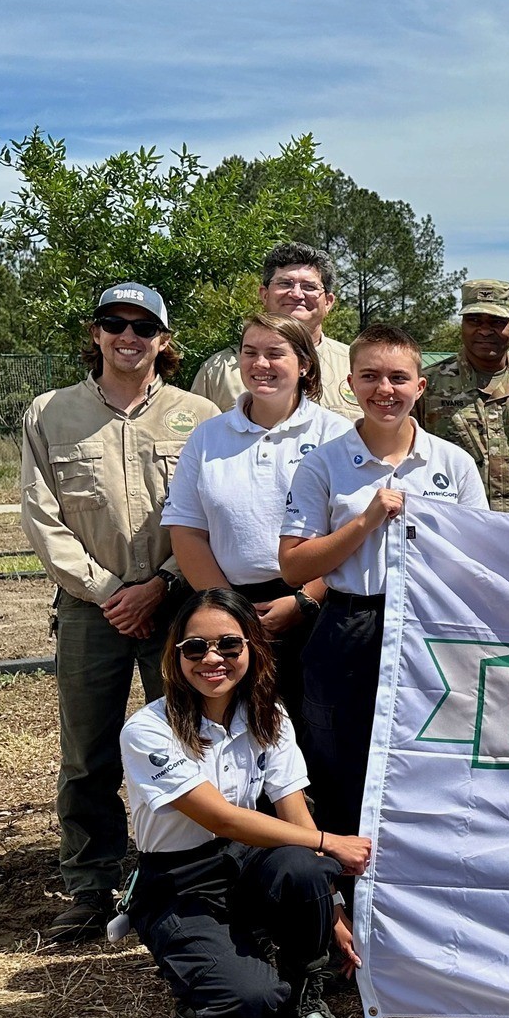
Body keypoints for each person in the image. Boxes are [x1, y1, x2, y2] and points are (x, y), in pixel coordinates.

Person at [20, 283, 219, 942]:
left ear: (164, 340)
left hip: (179, 608)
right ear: (96, 333)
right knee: (87, 755)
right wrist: (110, 592)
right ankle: (88, 885)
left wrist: (160, 584)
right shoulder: (50, 415)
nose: (128, 337)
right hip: (90, 611)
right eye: (115, 323)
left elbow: (211, 514)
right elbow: (42, 517)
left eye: (143, 327)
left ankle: (190, 878)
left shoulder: (200, 415)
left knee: (192, 745)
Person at [120, 589, 371, 1018]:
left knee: (306, 868)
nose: (212, 658)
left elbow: (293, 809)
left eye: (229, 646)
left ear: (251, 649)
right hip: (179, 879)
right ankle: (211, 976)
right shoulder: (148, 729)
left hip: (242, 862)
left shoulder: (269, 715)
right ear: (174, 656)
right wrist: (329, 841)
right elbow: (220, 816)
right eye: (195, 647)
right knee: (246, 1002)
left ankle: (302, 996)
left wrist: (332, 906)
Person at [280, 325, 488, 843]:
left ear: (421, 387)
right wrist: (365, 521)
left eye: (398, 377)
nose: (385, 390)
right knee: (340, 760)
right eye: (370, 376)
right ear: (350, 382)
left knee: (432, 760)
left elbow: (480, 558)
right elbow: (294, 566)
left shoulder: (453, 464)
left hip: (430, 625)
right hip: (350, 621)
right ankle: (346, 887)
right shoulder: (322, 464)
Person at [163, 312, 354, 730]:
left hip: (317, 607)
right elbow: (187, 530)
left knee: (316, 736)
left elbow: (352, 534)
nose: (260, 364)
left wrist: (304, 600)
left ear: (304, 363)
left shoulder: (338, 435)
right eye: (250, 352)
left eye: (275, 353)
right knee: (240, 734)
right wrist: (229, 612)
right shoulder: (208, 436)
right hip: (229, 610)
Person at [420, 278, 509, 514]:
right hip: (455, 528)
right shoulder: (427, 386)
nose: (484, 330)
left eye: (496, 321)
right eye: (474, 320)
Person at [190, 243, 358, 417]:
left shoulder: (355, 364)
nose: (296, 294)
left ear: (328, 302)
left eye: (309, 287)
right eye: (285, 283)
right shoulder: (219, 371)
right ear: (264, 294)